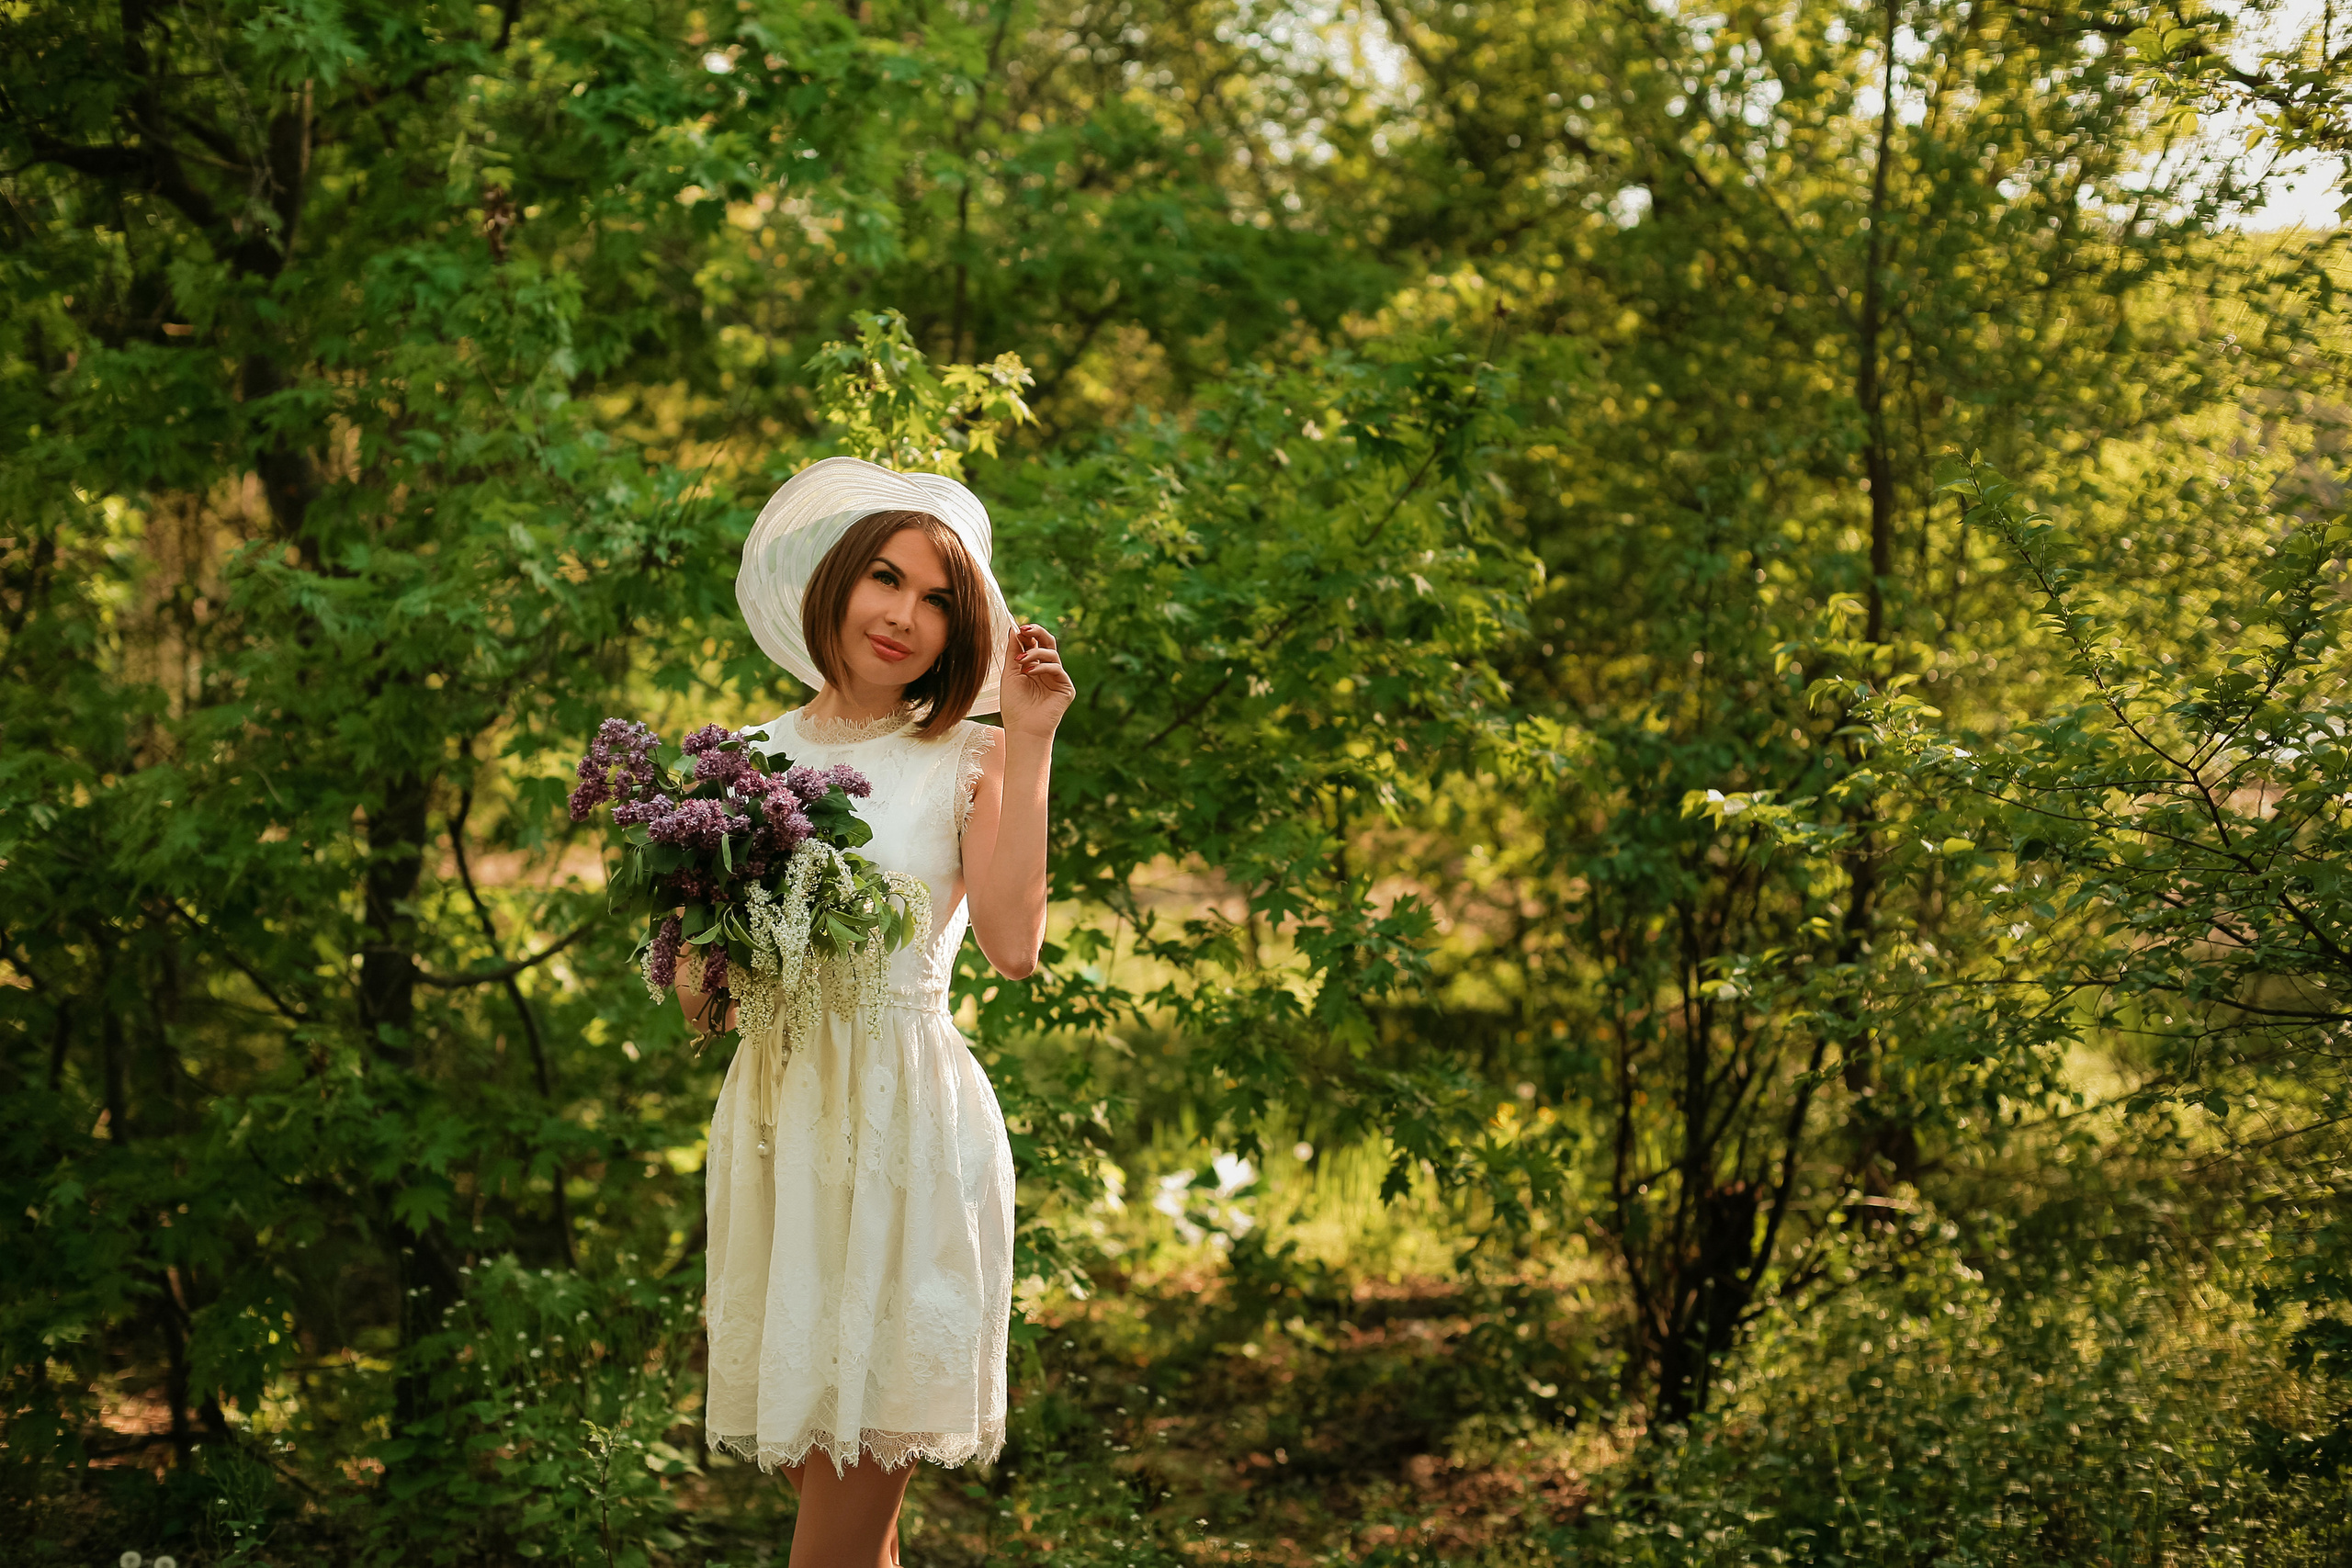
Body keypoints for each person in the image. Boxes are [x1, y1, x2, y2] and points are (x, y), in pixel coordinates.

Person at [674, 457, 1072, 1567]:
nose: (904, 613)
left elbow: (1013, 945)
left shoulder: (970, 756)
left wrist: (1030, 741)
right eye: (886, 579)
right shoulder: (747, 762)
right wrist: (709, 954)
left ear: (961, 630)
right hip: (778, 1131)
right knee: (844, 1514)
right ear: (837, 582)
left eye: (941, 598)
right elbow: (703, 1001)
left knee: (839, 1527)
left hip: (905, 1134)